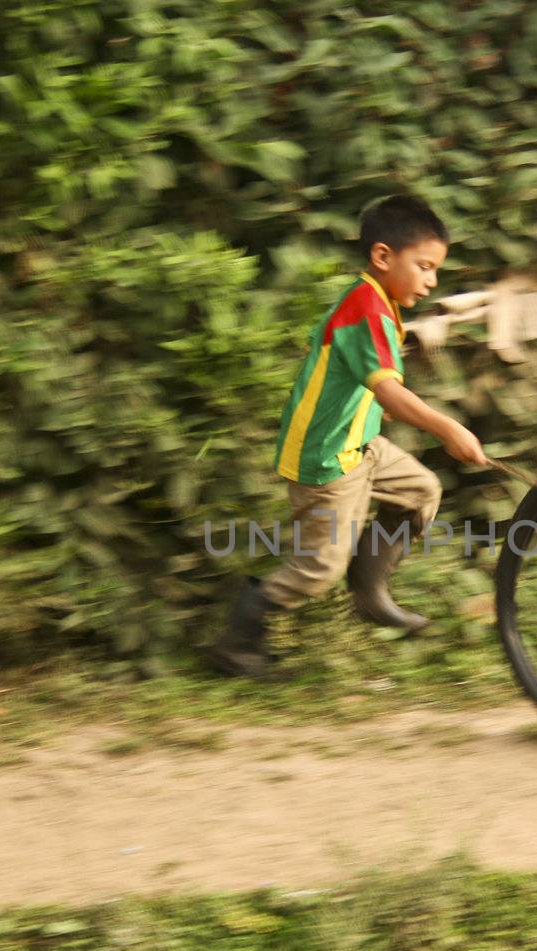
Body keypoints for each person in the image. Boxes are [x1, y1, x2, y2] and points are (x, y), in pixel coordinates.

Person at [207, 194, 488, 678]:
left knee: (421, 491)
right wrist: (448, 428)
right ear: (383, 257)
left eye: (435, 268)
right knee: (317, 570)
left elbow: (372, 387)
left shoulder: (381, 304)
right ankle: (236, 646)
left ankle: (370, 593)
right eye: (424, 266)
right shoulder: (365, 310)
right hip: (327, 458)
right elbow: (392, 396)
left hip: (362, 444)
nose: (432, 280)